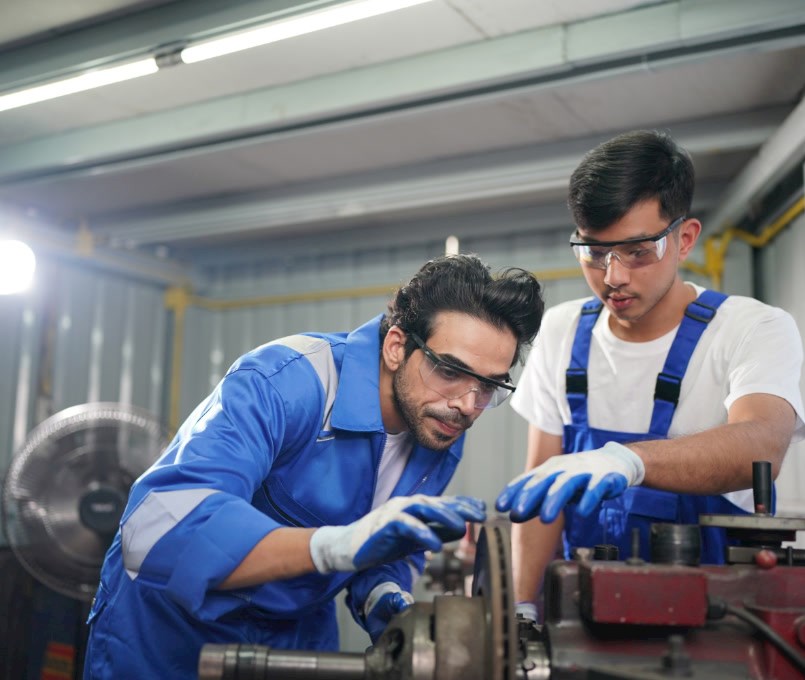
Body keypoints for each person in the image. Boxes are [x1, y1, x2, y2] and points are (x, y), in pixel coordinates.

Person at [83, 253, 544, 680]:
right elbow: (153, 532)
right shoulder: (286, 382)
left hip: (295, 633)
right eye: (449, 371)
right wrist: (334, 545)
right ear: (396, 346)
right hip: (168, 635)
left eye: (487, 386)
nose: (466, 405)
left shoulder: (438, 433)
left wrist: (386, 598)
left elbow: (385, 546)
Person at [495, 130, 805, 623]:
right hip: (583, 621)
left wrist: (631, 460)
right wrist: (521, 607)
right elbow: (543, 492)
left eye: (638, 251)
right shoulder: (562, 331)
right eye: (594, 251)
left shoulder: (753, 329)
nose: (613, 276)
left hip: (719, 626)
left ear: (685, 239)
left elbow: (763, 445)